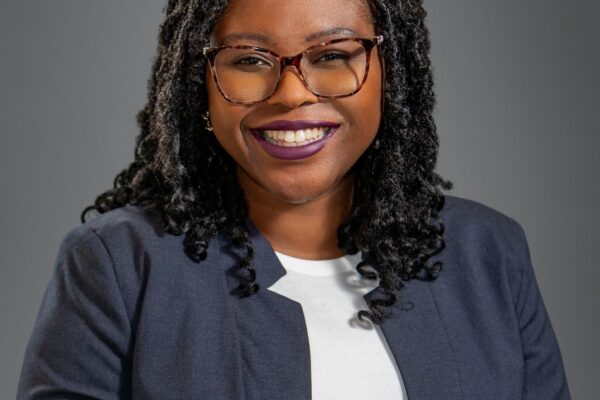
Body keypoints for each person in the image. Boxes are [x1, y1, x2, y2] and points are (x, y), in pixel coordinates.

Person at [17, 0, 571, 399]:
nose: (291, 94)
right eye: (249, 60)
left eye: (332, 55)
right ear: (200, 85)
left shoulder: (489, 251)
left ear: (391, 75)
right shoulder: (118, 264)